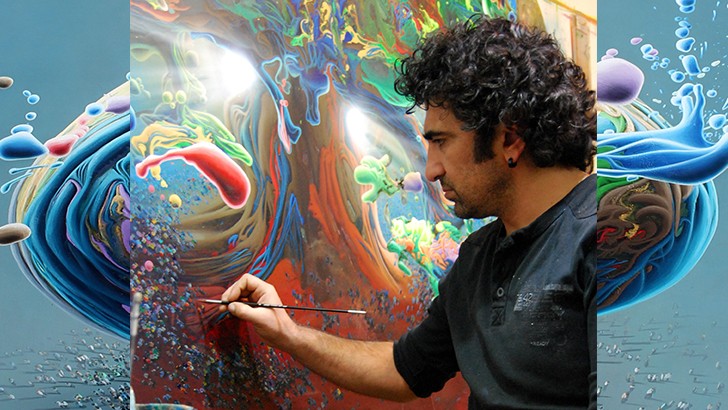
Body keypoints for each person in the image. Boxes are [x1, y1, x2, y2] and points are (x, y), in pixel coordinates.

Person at [221, 16, 596, 409]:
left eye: (441, 141)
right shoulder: (478, 258)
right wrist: (288, 333)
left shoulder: (607, 241)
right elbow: (404, 371)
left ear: (510, 138)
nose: (431, 170)